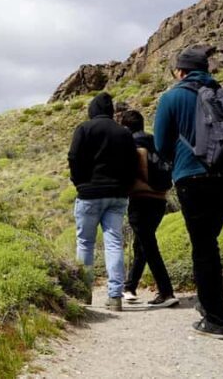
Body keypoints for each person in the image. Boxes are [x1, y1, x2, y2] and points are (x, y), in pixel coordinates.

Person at [154, 47, 223, 339]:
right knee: (209, 243)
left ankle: (216, 319)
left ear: (180, 71)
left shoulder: (172, 97)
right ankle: (207, 304)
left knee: (203, 247)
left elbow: (162, 145)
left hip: (193, 178)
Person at [67, 92, 137, 311]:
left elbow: (73, 157)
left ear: (92, 110)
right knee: (114, 242)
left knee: (85, 243)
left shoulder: (84, 129)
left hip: (89, 193)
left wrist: (80, 183)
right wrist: (124, 186)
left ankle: (84, 294)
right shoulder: (124, 133)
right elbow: (132, 163)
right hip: (117, 195)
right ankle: (115, 296)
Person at [119, 110, 178, 308]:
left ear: (125, 126)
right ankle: (130, 287)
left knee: (149, 246)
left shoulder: (134, 144)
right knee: (142, 244)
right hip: (160, 200)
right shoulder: (155, 142)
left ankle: (167, 292)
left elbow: (138, 167)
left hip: (141, 199)